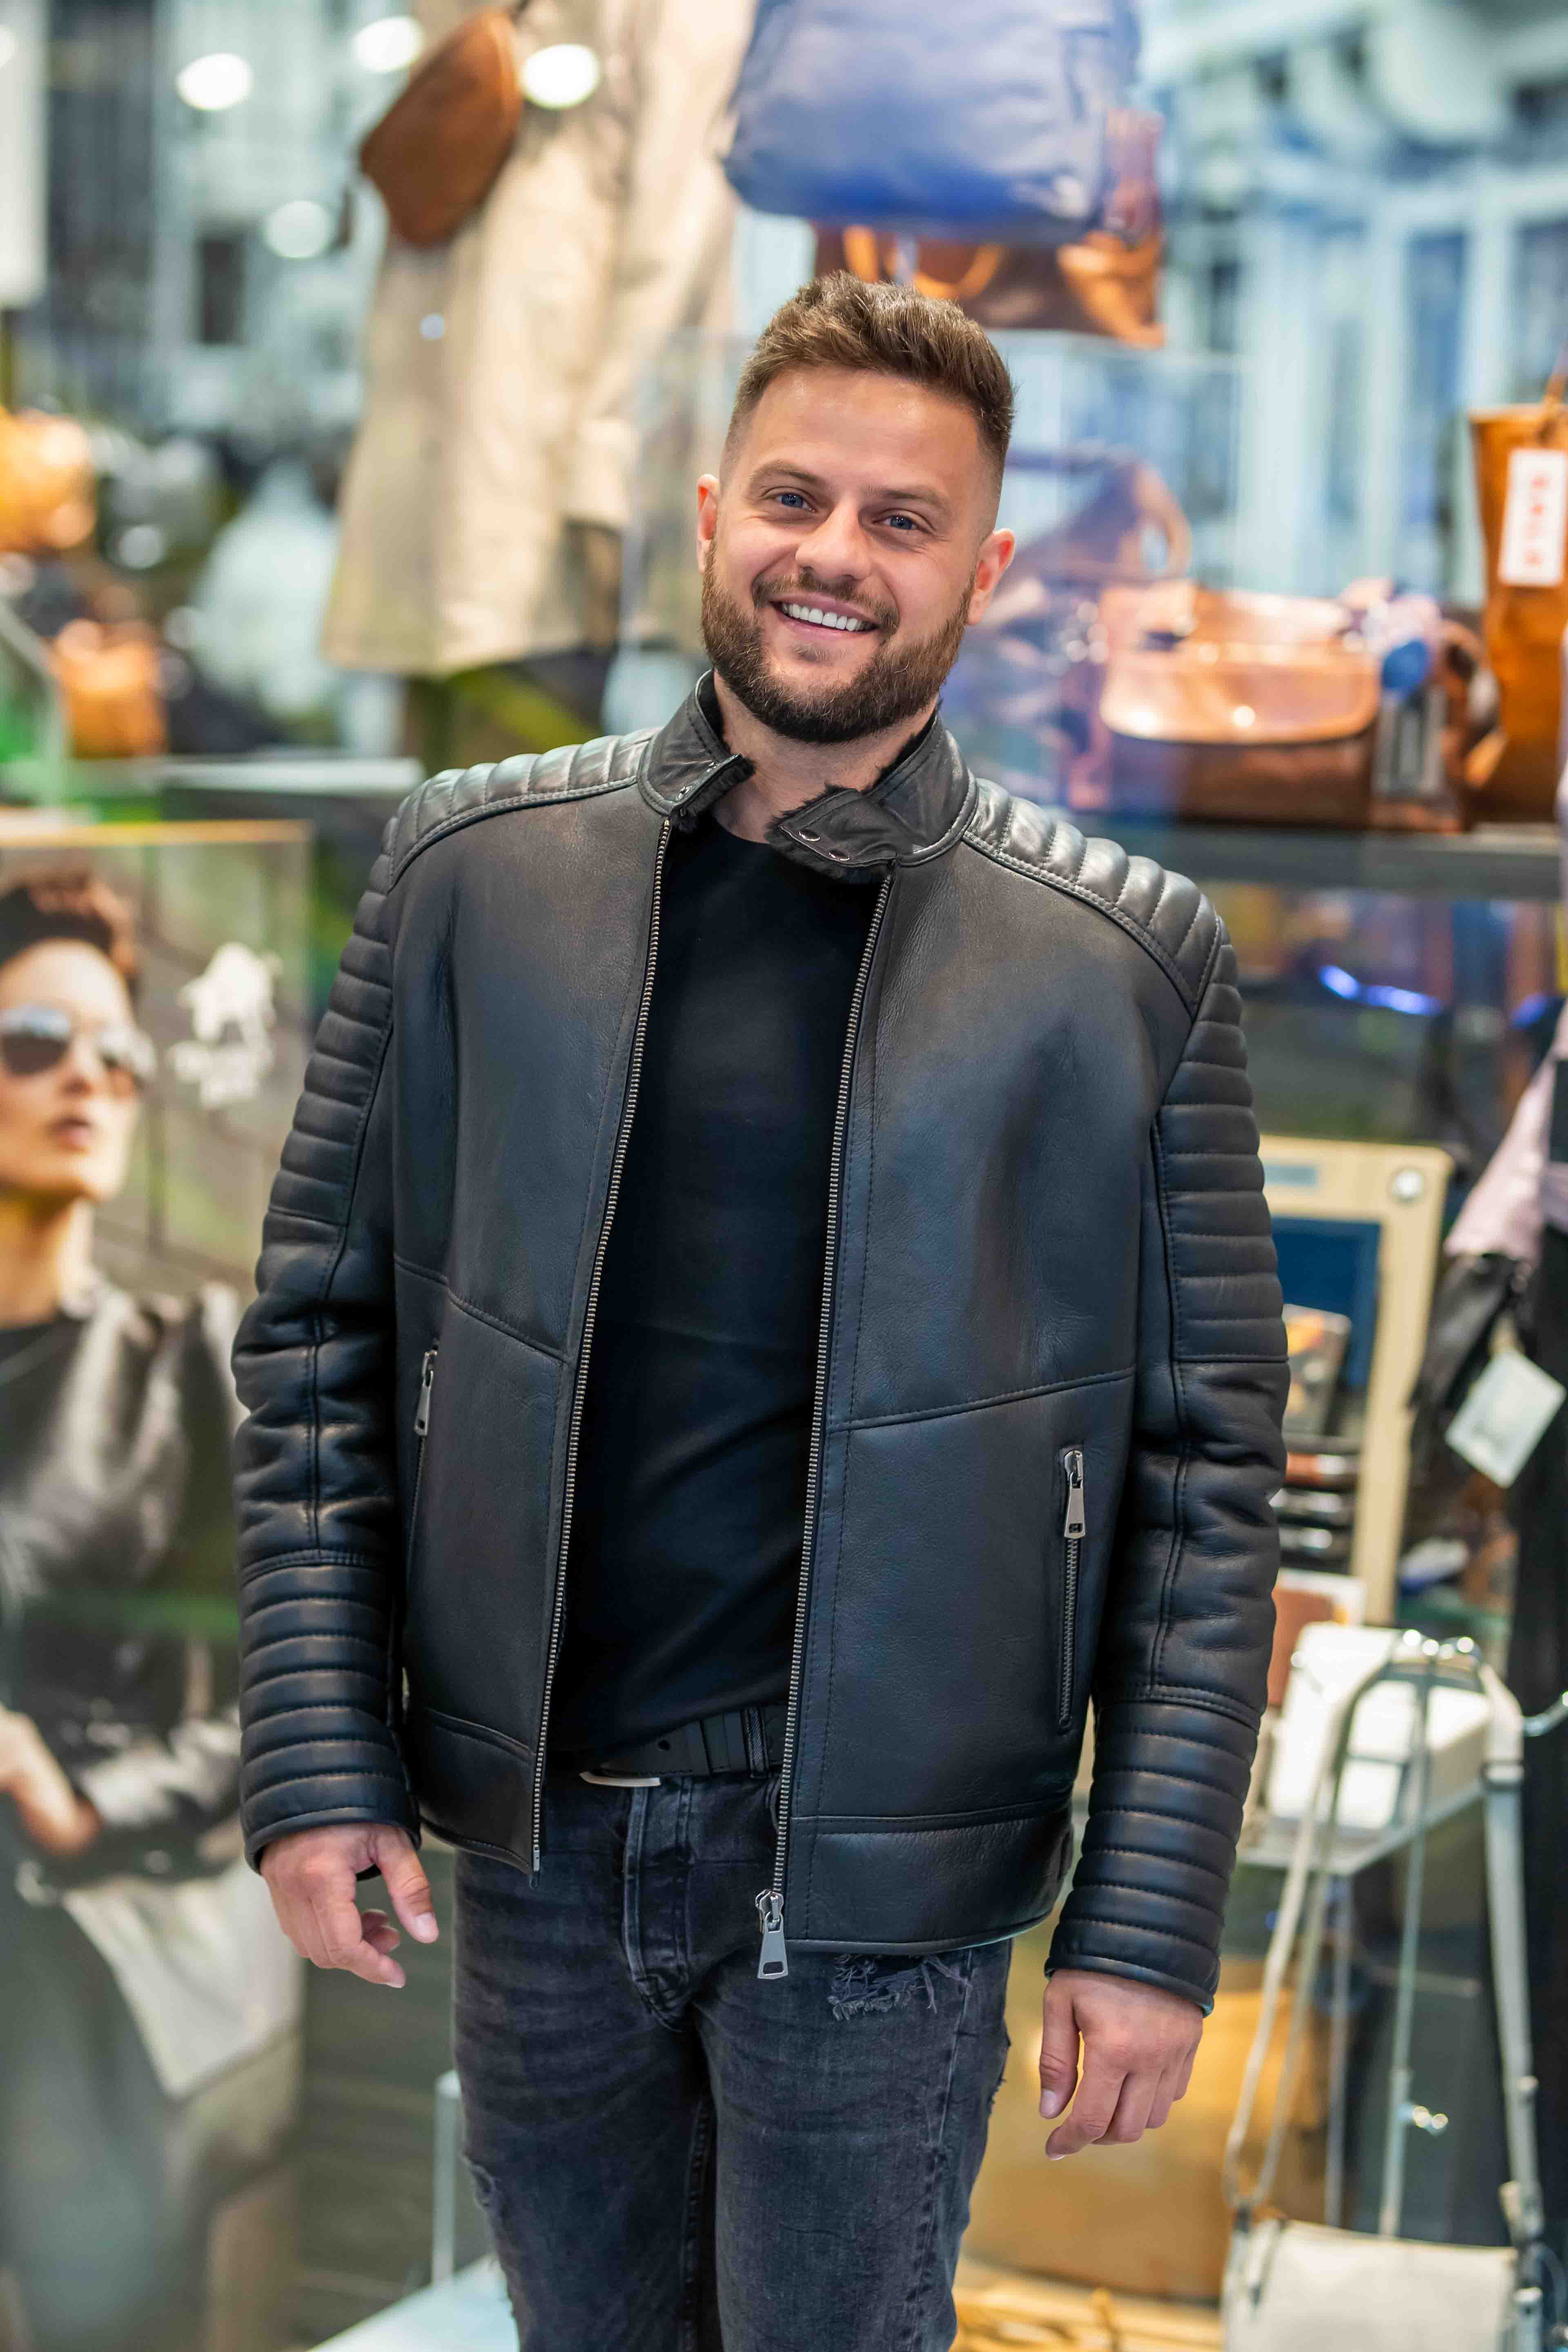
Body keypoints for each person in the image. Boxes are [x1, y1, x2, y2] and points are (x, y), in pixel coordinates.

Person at [236, 276, 1287, 2352]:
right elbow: (319, 1347)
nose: (837, 554)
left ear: (985, 570)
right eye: (797, 498)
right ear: (715, 513)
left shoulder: (1124, 961)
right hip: (541, 1846)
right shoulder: (468, 875)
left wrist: (1149, 1914)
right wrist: (316, 1749)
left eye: (905, 521)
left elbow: (1207, 1484)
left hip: (883, 1896)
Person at [0, 865, 288, 2352]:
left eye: (116, 1049)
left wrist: (72, 1801)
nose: (89, 1077)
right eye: (34, 1039)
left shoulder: (184, 1366)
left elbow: (297, 1698)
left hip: (93, 1939)